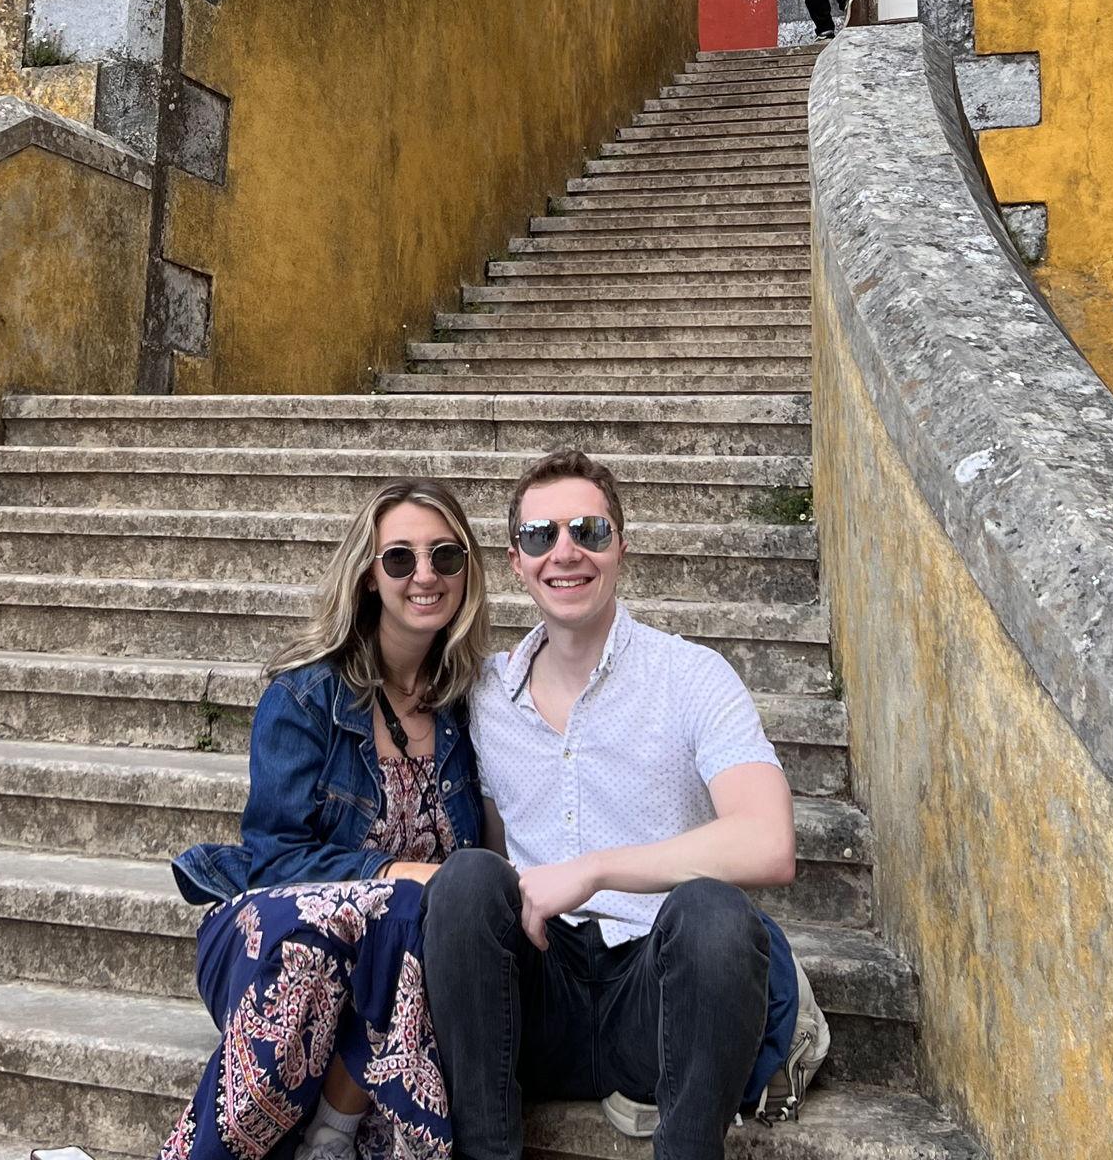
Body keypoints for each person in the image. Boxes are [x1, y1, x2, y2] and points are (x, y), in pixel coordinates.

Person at [423, 449, 816, 1160]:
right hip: (544, 1000)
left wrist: (595, 870)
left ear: (621, 547)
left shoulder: (692, 676)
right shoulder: (485, 694)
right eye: (541, 536)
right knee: (468, 880)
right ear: (516, 561)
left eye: (588, 532)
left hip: (659, 997)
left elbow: (768, 841)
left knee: (715, 913)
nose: (564, 553)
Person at [161, 480, 493, 1160]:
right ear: (369, 576)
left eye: (445, 557)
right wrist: (402, 875)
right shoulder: (305, 694)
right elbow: (275, 858)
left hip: (408, 961)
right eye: (399, 558)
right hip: (283, 939)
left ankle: (331, 1137)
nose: (424, 576)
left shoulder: (474, 704)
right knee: (402, 907)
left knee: (421, 921)